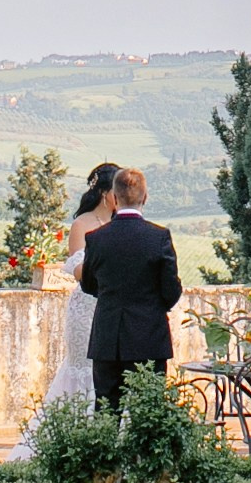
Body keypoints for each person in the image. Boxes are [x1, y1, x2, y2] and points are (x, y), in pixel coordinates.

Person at [13, 164, 118, 446]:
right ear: (105, 193)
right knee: (84, 369)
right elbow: (79, 270)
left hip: (114, 308)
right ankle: (74, 439)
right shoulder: (82, 225)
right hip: (86, 308)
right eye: (116, 190)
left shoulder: (121, 223)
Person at [77, 164, 181, 411]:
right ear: (145, 197)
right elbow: (171, 292)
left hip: (108, 338)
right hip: (149, 338)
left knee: (106, 415)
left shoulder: (97, 238)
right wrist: (152, 307)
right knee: (149, 418)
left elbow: (89, 284)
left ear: (114, 197)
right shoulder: (159, 238)